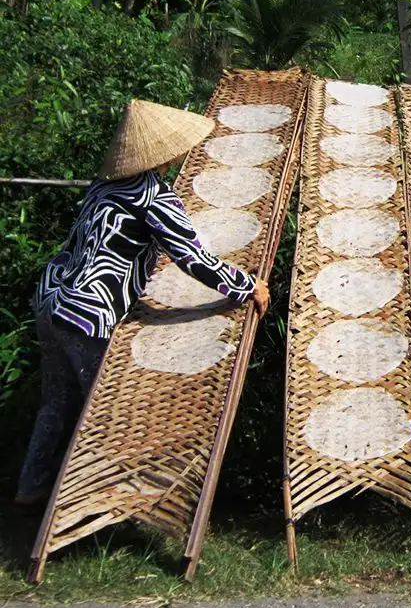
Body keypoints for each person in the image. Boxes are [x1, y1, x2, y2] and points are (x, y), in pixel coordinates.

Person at [14, 99, 271, 507]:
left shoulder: (105, 184)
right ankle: (94, 498)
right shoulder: (154, 195)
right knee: (101, 411)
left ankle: (31, 487)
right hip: (87, 310)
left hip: (51, 300)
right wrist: (246, 286)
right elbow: (194, 258)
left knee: (56, 400)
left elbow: (110, 241)